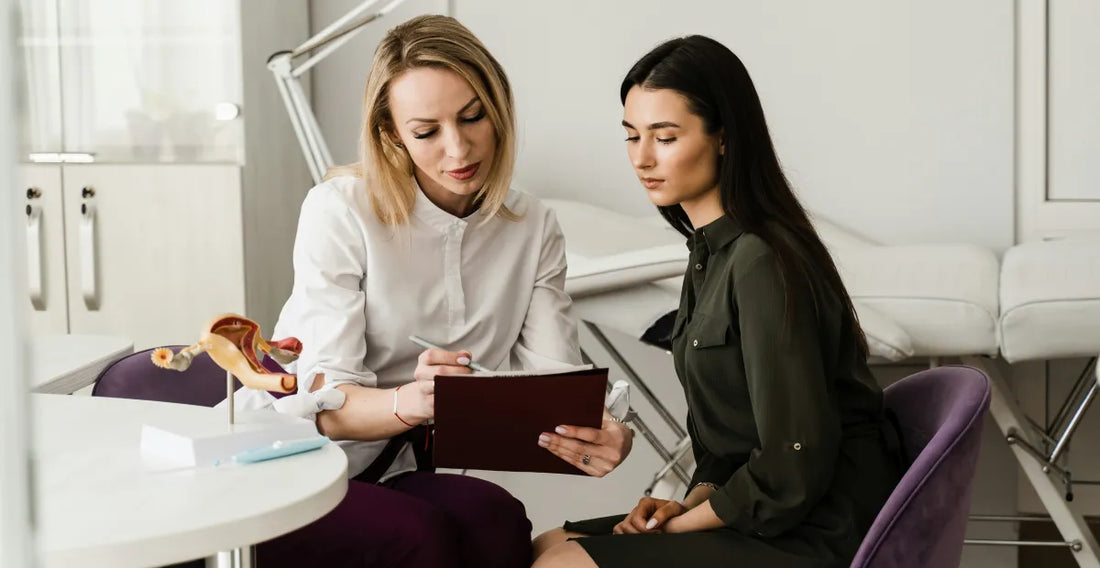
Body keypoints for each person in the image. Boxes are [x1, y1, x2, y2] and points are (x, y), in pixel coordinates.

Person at [233, 15, 633, 568]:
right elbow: (323, 406)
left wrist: (604, 430)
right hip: (290, 462)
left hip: (394, 470)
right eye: (426, 131)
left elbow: (552, 386)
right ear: (392, 133)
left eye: (474, 117)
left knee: (498, 522)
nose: (459, 148)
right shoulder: (341, 211)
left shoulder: (532, 225)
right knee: (421, 536)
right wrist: (412, 402)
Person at [531, 35, 903, 568]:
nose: (642, 158)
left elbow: (791, 464)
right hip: (769, 514)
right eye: (632, 136)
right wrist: (682, 506)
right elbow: (732, 449)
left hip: (816, 529)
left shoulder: (762, 261)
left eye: (665, 137)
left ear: (724, 137)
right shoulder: (707, 254)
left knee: (561, 566)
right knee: (549, 544)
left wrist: (680, 525)